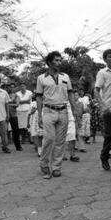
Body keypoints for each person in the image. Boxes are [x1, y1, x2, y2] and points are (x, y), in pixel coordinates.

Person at [35, 51, 74, 179]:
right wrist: (40, 116)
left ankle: (57, 167)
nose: (59, 62)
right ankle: (44, 164)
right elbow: (39, 98)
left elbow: (70, 94)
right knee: (49, 139)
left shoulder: (65, 77)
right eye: (56, 60)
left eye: (60, 60)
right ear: (49, 62)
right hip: (48, 110)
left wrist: (74, 111)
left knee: (60, 141)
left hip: (63, 110)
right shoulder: (41, 78)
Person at [6, 82, 22, 151]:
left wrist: (7, 105)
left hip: (13, 115)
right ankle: (5, 146)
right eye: (10, 87)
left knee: (16, 130)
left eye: (13, 87)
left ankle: (18, 146)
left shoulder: (16, 96)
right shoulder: (5, 94)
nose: (11, 88)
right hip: (5, 114)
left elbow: (17, 104)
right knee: (5, 131)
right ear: (8, 87)